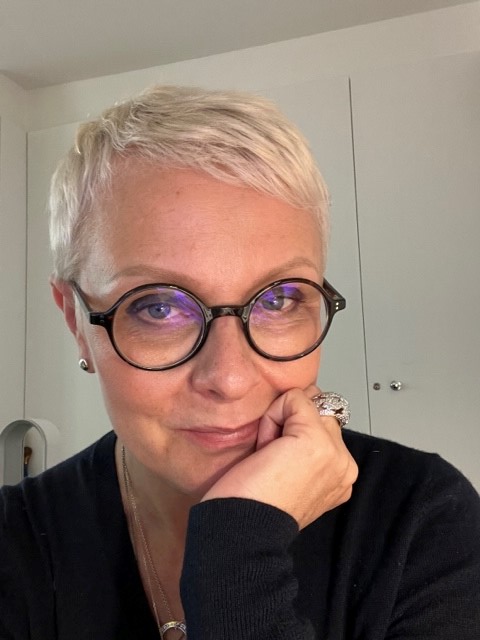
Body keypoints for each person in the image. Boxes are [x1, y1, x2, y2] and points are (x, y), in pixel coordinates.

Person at [1, 85, 479, 640]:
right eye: (158, 307)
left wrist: (236, 554)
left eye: (279, 299)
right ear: (75, 321)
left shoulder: (422, 518)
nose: (229, 378)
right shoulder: (15, 545)